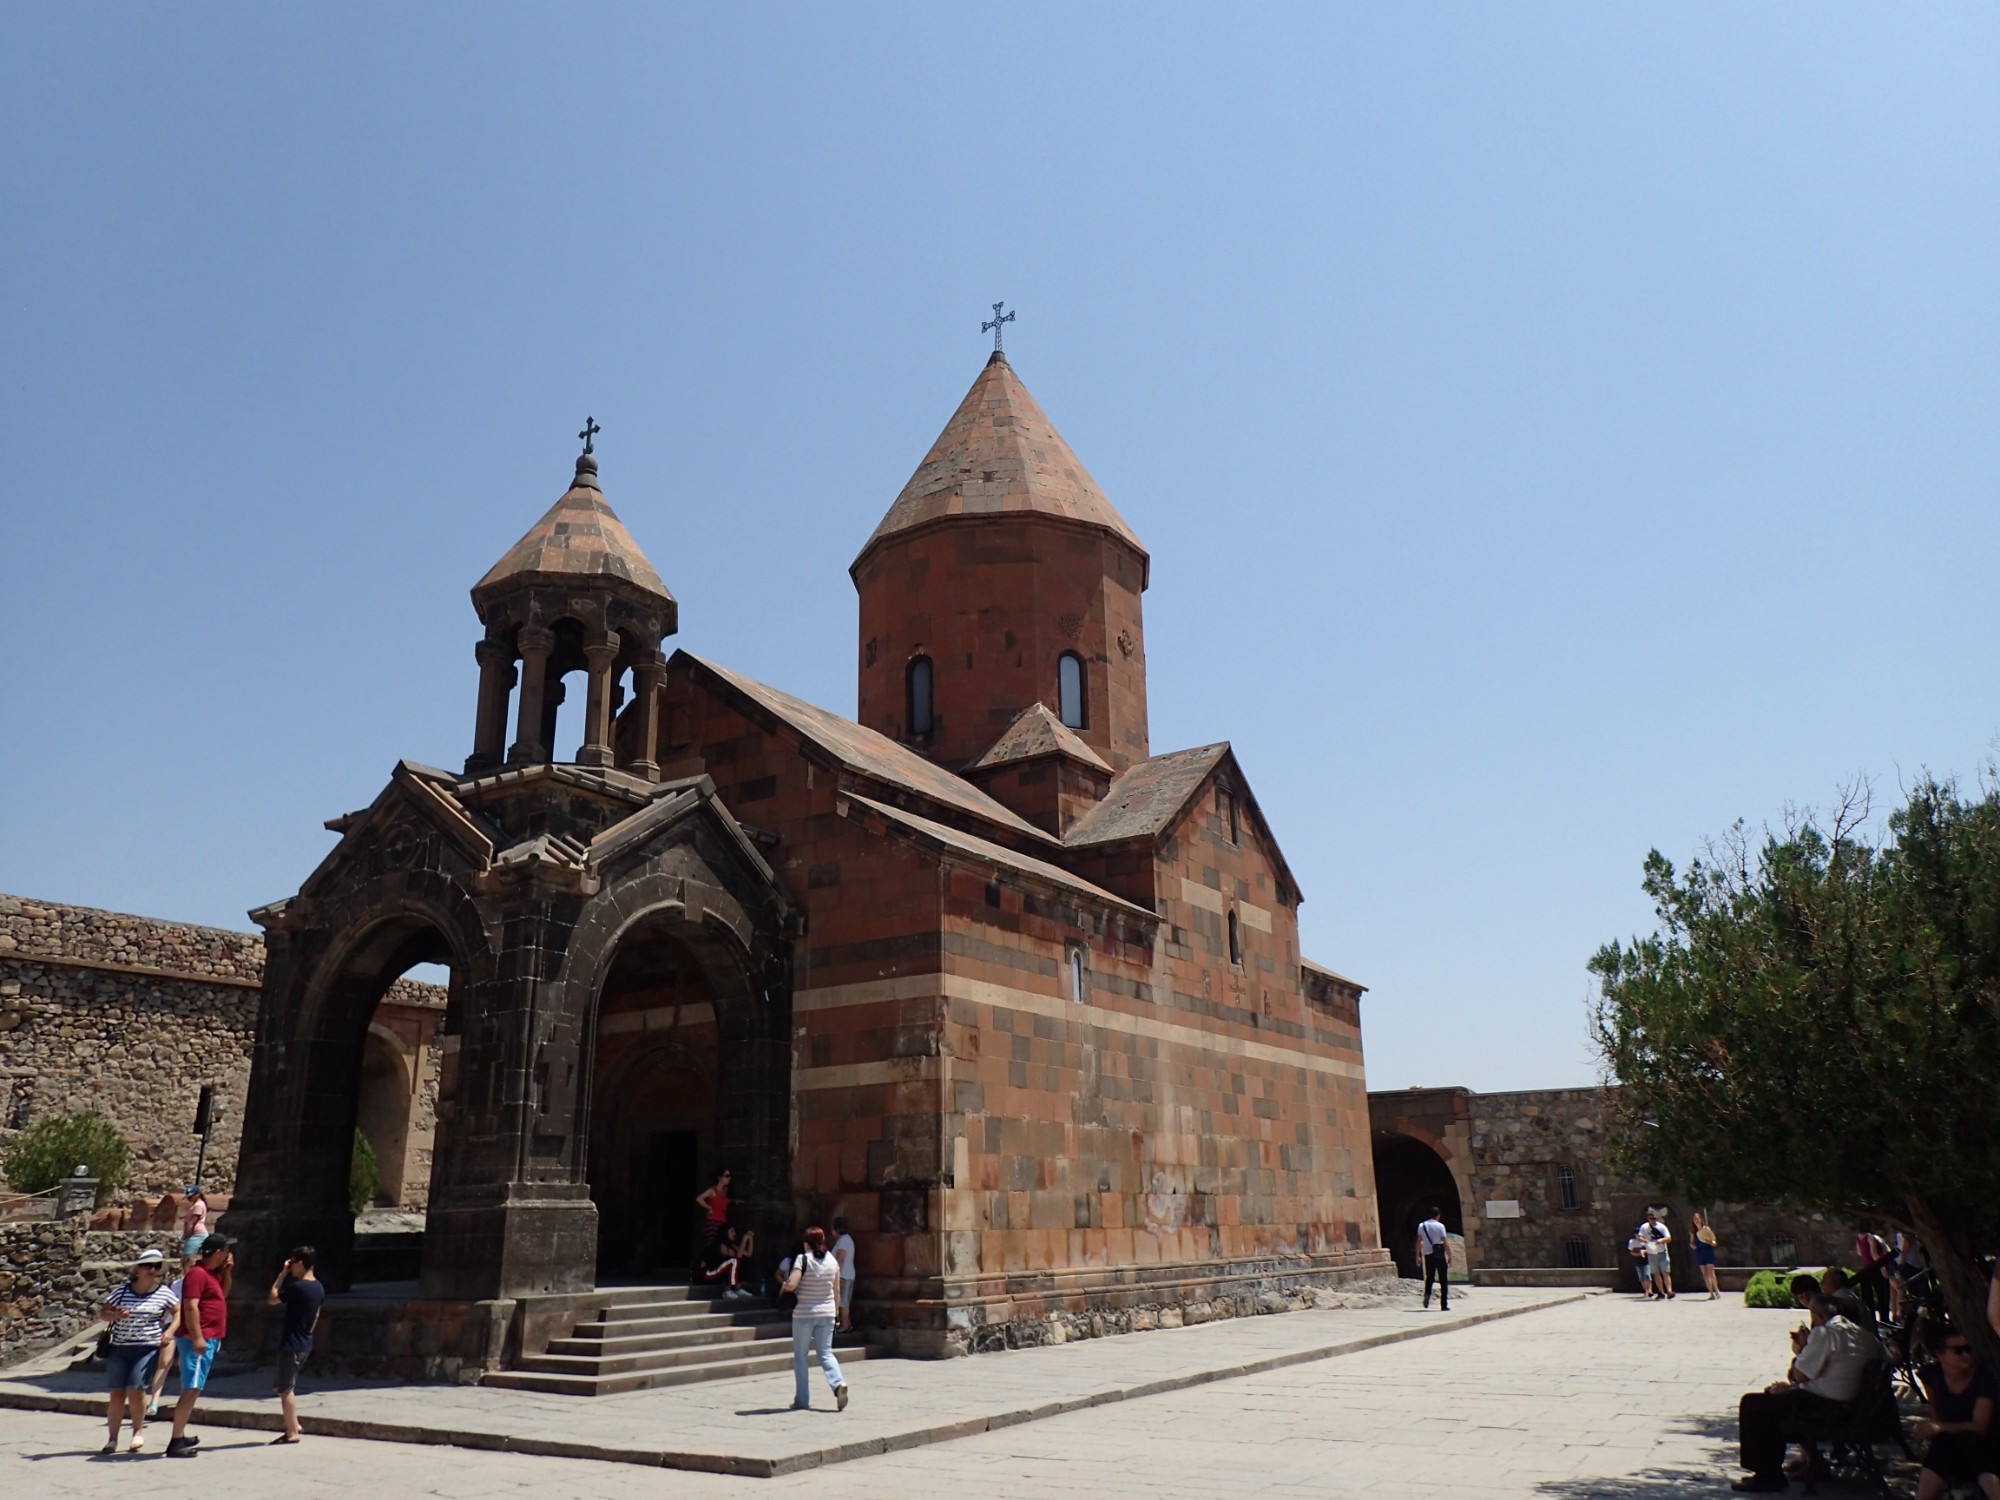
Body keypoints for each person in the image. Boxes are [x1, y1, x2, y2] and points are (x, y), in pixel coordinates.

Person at [1732, 1284, 1873, 1492]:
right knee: (1774, 1399)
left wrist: (1802, 1348)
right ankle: (1811, 1461)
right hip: (1857, 1406)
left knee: (1755, 1405)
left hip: (1833, 1409)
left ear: (1819, 1316)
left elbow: (1798, 1375)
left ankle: (1768, 1474)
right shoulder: (1863, 1335)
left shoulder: (1826, 1333)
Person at [98, 1248, 180, 1454]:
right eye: (148, 1266)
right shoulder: (122, 1291)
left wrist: (169, 1332)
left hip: (147, 1347)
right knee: (116, 1393)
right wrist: (116, 1315)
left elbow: (178, 1312)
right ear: (139, 1268)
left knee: (137, 1390)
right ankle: (112, 1439)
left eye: (156, 1266)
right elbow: (104, 1314)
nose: (152, 1270)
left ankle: (137, 1431)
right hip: (119, 1347)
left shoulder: (164, 1293)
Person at [166, 1232, 234, 1458]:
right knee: (192, 1388)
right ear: (217, 1253)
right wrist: (197, 1337)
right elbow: (191, 1306)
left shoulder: (212, 1275)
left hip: (211, 1336)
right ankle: (176, 1440)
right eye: (225, 1251)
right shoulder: (196, 1274)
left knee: (196, 1387)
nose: (228, 1254)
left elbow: (222, 1296)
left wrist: (227, 1272)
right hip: (199, 1338)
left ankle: (181, 1432)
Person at [1913, 1327, 2000, 1500]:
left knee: (1971, 1443)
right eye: (1958, 1351)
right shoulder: (1932, 1375)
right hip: (1951, 1443)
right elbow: (1935, 1412)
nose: (1966, 1355)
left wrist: (1939, 1427)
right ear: (1941, 1354)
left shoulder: (1983, 1379)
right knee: (1942, 1445)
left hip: (1984, 1445)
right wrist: (1930, 1430)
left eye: (1968, 1349)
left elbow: (1979, 1427)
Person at [782, 1225, 848, 1411]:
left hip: (804, 1313)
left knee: (801, 1357)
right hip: (827, 1313)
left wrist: (785, 1285)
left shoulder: (803, 1259)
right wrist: (835, 1314)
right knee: (826, 1353)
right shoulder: (832, 1261)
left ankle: (802, 1399)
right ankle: (838, 1383)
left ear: (806, 1243)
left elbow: (792, 1284)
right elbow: (836, 1290)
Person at [265, 1245, 324, 1445]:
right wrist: (307, 1332)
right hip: (305, 1341)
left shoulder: (298, 1287)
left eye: (293, 1264)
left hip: (291, 1344)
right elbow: (316, 1314)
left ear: (299, 1263)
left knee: (285, 1388)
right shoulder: (318, 1287)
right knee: (289, 1384)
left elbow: (273, 1298)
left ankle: (291, 1432)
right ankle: (295, 1423)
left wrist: (281, 1275)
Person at [701, 1225, 753, 1300]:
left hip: (718, 1273)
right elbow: (738, 1256)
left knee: (741, 1260)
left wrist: (750, 1239)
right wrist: (744, 1239)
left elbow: (748, 1254)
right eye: (732, 1231)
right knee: (734, 1260)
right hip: (708, 1274)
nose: (734, 1233)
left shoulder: (732, 1245)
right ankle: (726, 1291)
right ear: (725, 1233)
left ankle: (738, 1289)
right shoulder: (721, 1245)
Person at [694, 1168, 731, 1268]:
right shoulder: (712, 1190)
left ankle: (714, 1267)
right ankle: (702, 1267)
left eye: (729, 1176)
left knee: (721, 1246)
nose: (729, 1178)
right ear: (720, 1178)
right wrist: (708, 1207)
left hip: (722, 1221)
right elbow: (699, 1198)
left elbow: (723, 1203)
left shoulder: (725, 1191)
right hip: (713, 1221)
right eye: (727, 1176)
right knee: (713, 1244)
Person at [1415, 1208, 1450, 1311]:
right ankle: (1444, 1304)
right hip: (1439, 1255)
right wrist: (1450, 1255)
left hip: (1428, 1254)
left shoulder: (1422, 1226)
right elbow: (1445, 1241)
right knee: (1443, 1279)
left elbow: (1418, 1241)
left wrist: (1418, 1256)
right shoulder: (1440, 1226)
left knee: (1430, 1277)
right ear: (1438, 1215)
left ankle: (1427, 1294)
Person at [830, 1216, 857, 1333]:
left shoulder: (843, 1241)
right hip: (847, 1274)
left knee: (843, 1301)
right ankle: (846, 1323)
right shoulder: (845, 1240)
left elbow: (840, 1259)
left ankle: (845, 1324)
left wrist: (836, 1275)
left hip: (843, 1274)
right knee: (843, 1300)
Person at [1641, 1210, 1674, 1300]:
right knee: (1656, 1273)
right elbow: (1639, 1236)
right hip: (1652, 1252)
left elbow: (1669, 1238)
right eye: (1651, 1218)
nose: (1653, 1220)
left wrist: (1661, 1240)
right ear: (1648, 1218)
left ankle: (1669, 1291)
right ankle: (1661, 1292)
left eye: (1655, 1218)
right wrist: (1644, 1241)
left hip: (1662, 1251)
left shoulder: (1661, 1227)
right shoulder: (1644, 1227)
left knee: (1665, 1272)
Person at [1691, 1212, 1721, 1300]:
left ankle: (1717, 1291)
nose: (1696, 1221)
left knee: (1711, 1273)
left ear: (1701, 1219)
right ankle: (1711, 1293)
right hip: (1700, 1253)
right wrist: (1693, 1246)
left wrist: (1710, 1242)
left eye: (1697, 1219)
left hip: (1708, 1252)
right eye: (1694, 1220)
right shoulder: (1693, 1232)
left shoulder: (1706, 1229)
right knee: (1705, 1274)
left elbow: (1714, 1241)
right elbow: (1692, 1242)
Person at [180, 1185, 208, 1261]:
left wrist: (184, 1238)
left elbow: (192, 1223)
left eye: (191, 1196)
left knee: (188, 1260)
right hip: (194, 1235)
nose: (189, 1198)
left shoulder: (198, 1206)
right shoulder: (196, 1205)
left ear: (197, 1194)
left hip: (196, 1235)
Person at [1629, 1229, 1653, 1296]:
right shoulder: (1632, 1242)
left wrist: (1644, 1252)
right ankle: (1646, 1291)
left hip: (1646, 1260)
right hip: (1637, 1261)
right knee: (1641, 1277)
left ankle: (1650, 1290)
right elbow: (1631, 1252)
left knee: (1647, 1275)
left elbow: (1651, 1249)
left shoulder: (1645, 1241)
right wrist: (1639, 1254)